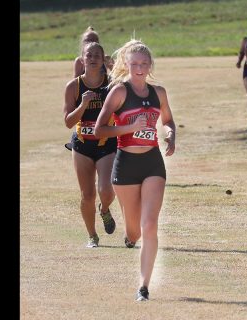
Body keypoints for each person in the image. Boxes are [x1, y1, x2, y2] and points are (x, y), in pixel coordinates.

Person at [94, 40, 176, 301]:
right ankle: (129, 238)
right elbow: (99, 130)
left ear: (150, 65)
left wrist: (170, 134)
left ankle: (143, 286)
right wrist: (128, 128)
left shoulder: (159, 92)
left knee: (150, 224)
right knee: (135, 231)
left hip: (152, 162)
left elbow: (168, 119)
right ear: (126, 65)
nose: (139, 68)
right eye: (134, 64)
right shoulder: (118, 92)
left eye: (144, 63)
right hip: (126, 165)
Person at [63, 42, 117, 248]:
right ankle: (92, 236)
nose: (93, 58)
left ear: (103, 59)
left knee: (107, 190)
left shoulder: (112, 84)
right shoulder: (73, 86)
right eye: (89, 55)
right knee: (87, 195)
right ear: (82, 59)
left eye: (97, 55)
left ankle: (104, 210)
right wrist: (83, 104)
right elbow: (68, 121)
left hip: (107, 143)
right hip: (82, 145)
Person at [66, 26, 114, 152]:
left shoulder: (104, 58)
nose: (90, 42)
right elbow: (76, 80)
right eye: (87, 40)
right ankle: (76, 141)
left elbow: (117, 79)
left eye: (94, 39)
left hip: (102, 92)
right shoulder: (80, 61)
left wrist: (111, 65)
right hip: (85, 95)